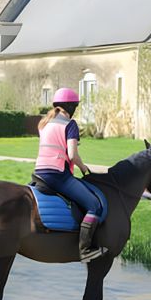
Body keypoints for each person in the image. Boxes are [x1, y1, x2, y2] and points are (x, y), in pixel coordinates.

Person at [34, 87, 106, 262]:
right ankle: (85, 250)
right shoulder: (70, 124)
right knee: (94, 205)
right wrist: (83, 167)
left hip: (39, 171)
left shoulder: (45, 123)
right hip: (58, 174)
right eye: (75, 106)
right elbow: (72, 155)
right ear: (71, 106)